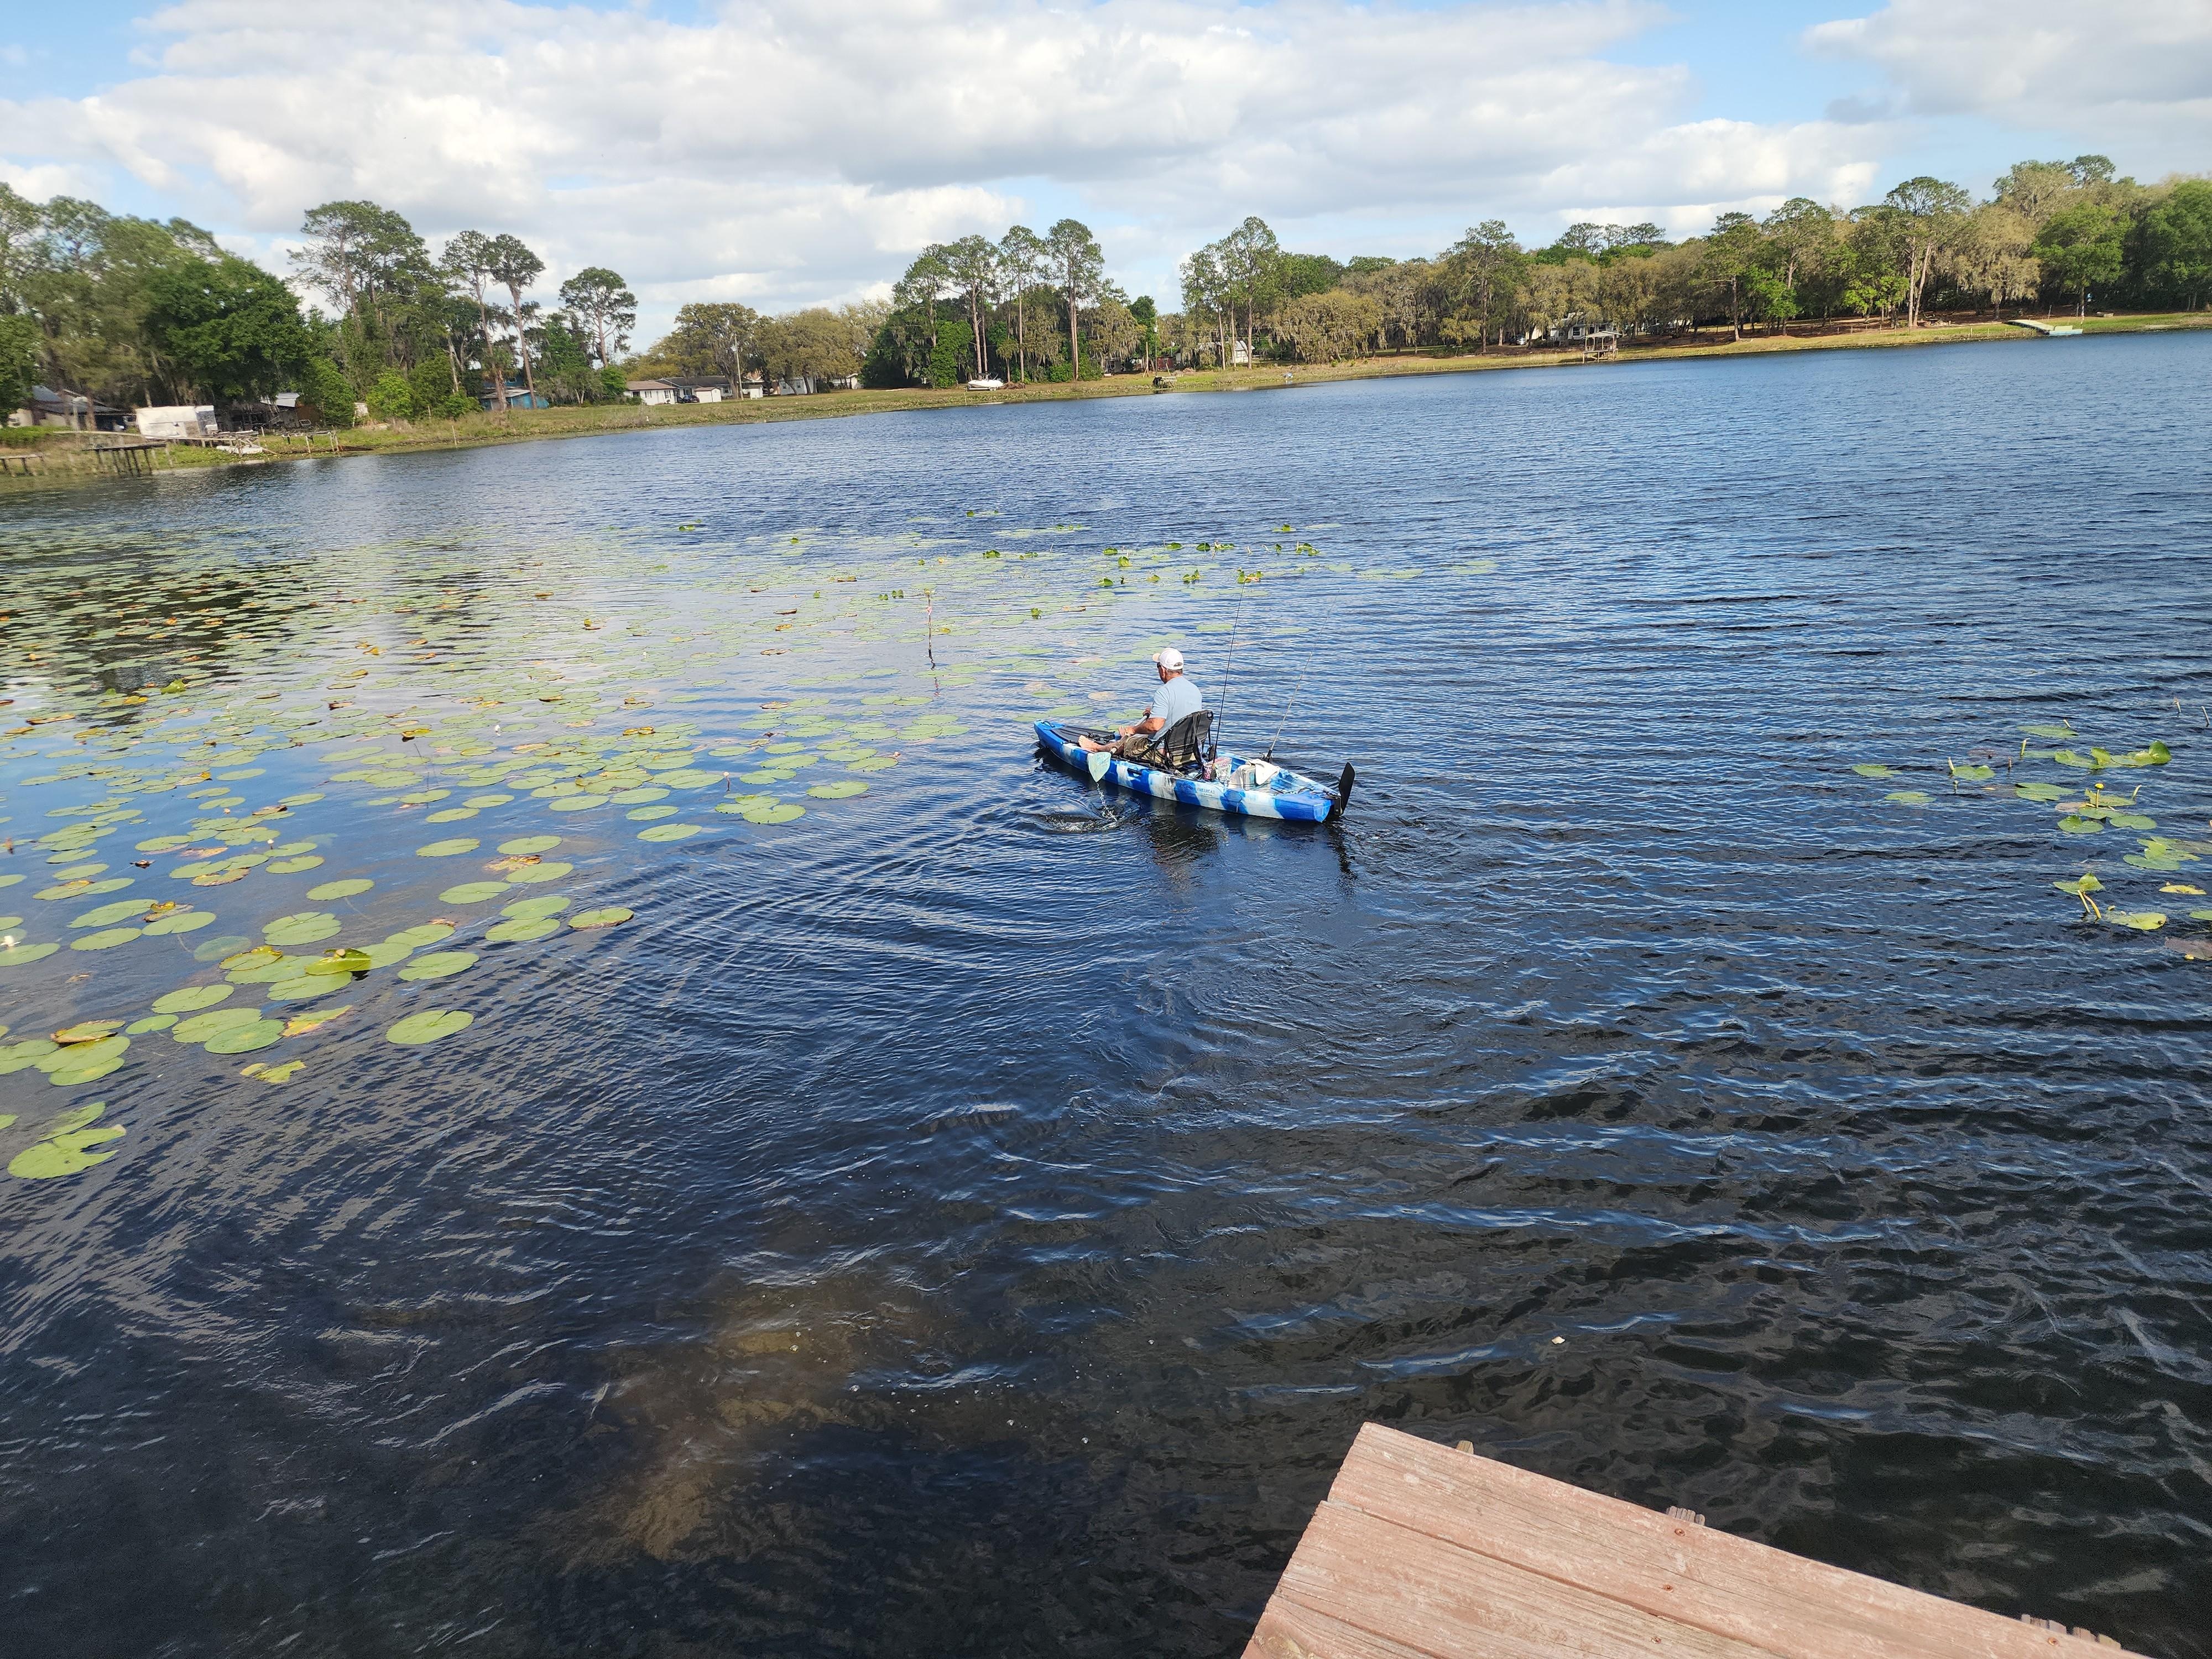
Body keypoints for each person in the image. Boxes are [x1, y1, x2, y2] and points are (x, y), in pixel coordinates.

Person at [1079, 647, 1203, 761]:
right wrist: (1155, 711)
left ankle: (1096, 748)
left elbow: (1155, 726)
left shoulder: (1164, 692)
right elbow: (1181, 713)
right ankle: (1127, 736)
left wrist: (1133, 730)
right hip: (1188, 752)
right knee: (1138, 733)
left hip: (1161, 753)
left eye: (1158, 666)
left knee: (1128, 741)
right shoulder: (1195, 690)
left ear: (1164, 670)